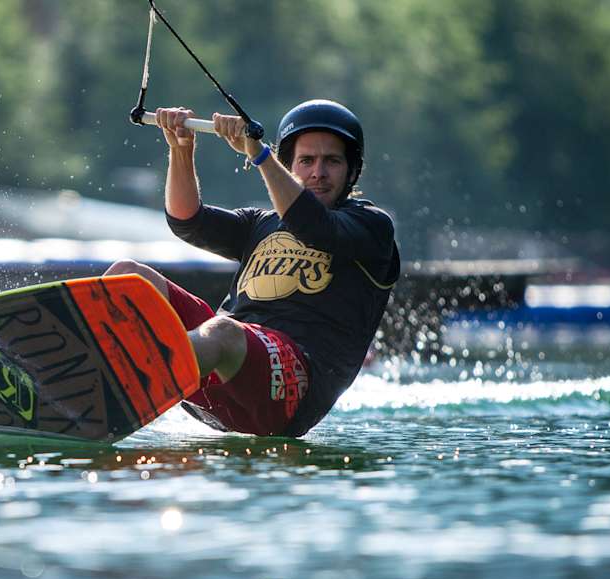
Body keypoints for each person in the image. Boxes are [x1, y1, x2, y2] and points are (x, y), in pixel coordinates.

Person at [105, 100, 400, 437]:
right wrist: (181, 147)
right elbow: (187, 220)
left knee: (223, 332)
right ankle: (83, 375)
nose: (318, 172)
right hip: (212, 368)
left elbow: (314, 227)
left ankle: (115, 384)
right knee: (129, 277)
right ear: (290, 166)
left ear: (351, 171)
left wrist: (259, 155)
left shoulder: (372, 226)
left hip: (288, 390)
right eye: (306, 161)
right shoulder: (260, 223)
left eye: (331, 161)